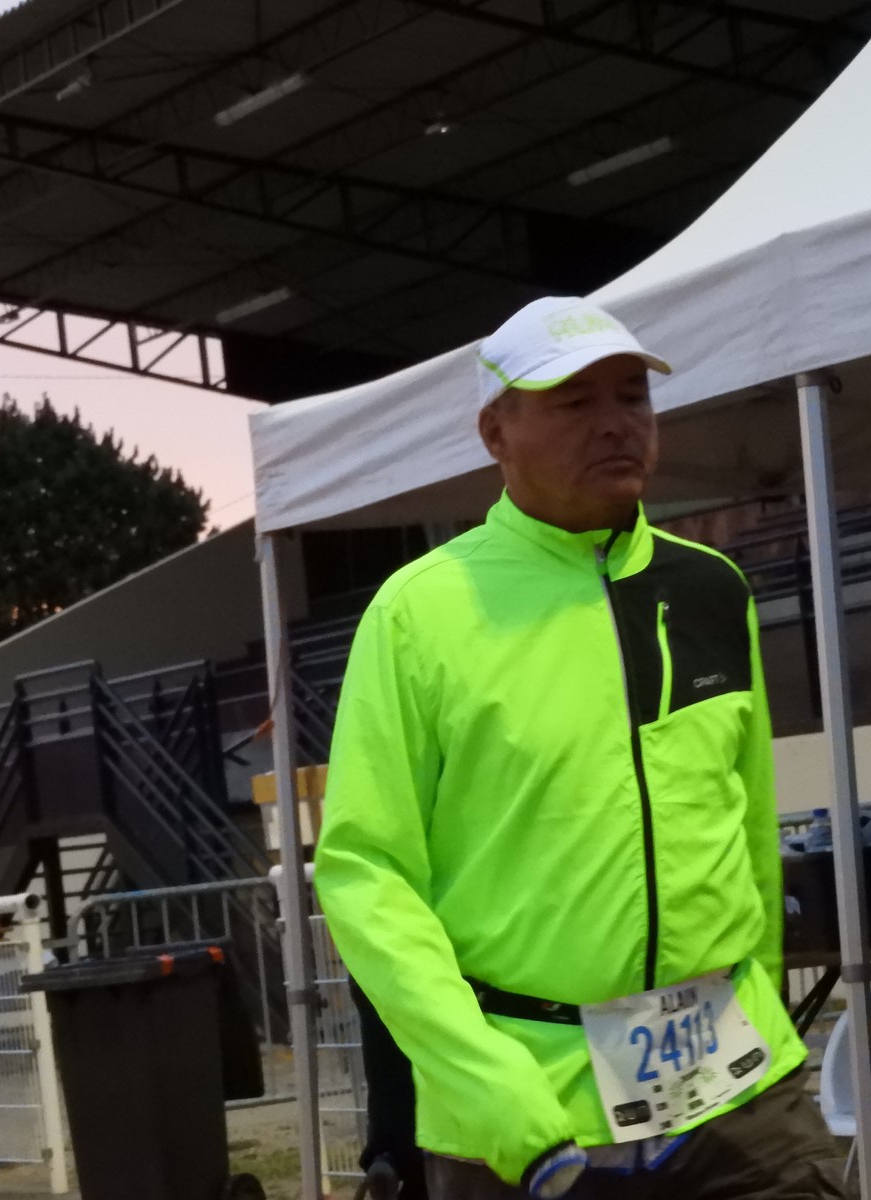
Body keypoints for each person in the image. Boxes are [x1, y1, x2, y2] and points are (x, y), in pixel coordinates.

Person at [315, 296, 844, 1200]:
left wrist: (757, 995)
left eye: (633, 396)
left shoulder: (712, 587)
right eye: (574, 402)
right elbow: (367, 873)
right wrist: (488, 1086)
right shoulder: (419, 614)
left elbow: (749, 821)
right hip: (530, 1109)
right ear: (496, 432)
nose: (615, 424)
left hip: (735, 1084)